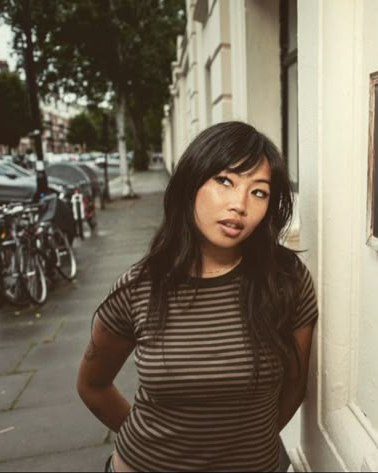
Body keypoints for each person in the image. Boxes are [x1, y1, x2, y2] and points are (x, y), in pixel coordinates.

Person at [77, 121, 319, 472]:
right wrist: (162, 449)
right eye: (225, 181)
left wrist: (239, 450)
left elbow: (295, 386)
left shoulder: (286, 280)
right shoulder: (139, 288)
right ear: (191, 183)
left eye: (259, 192)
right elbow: (92, 384)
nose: (240, 204)